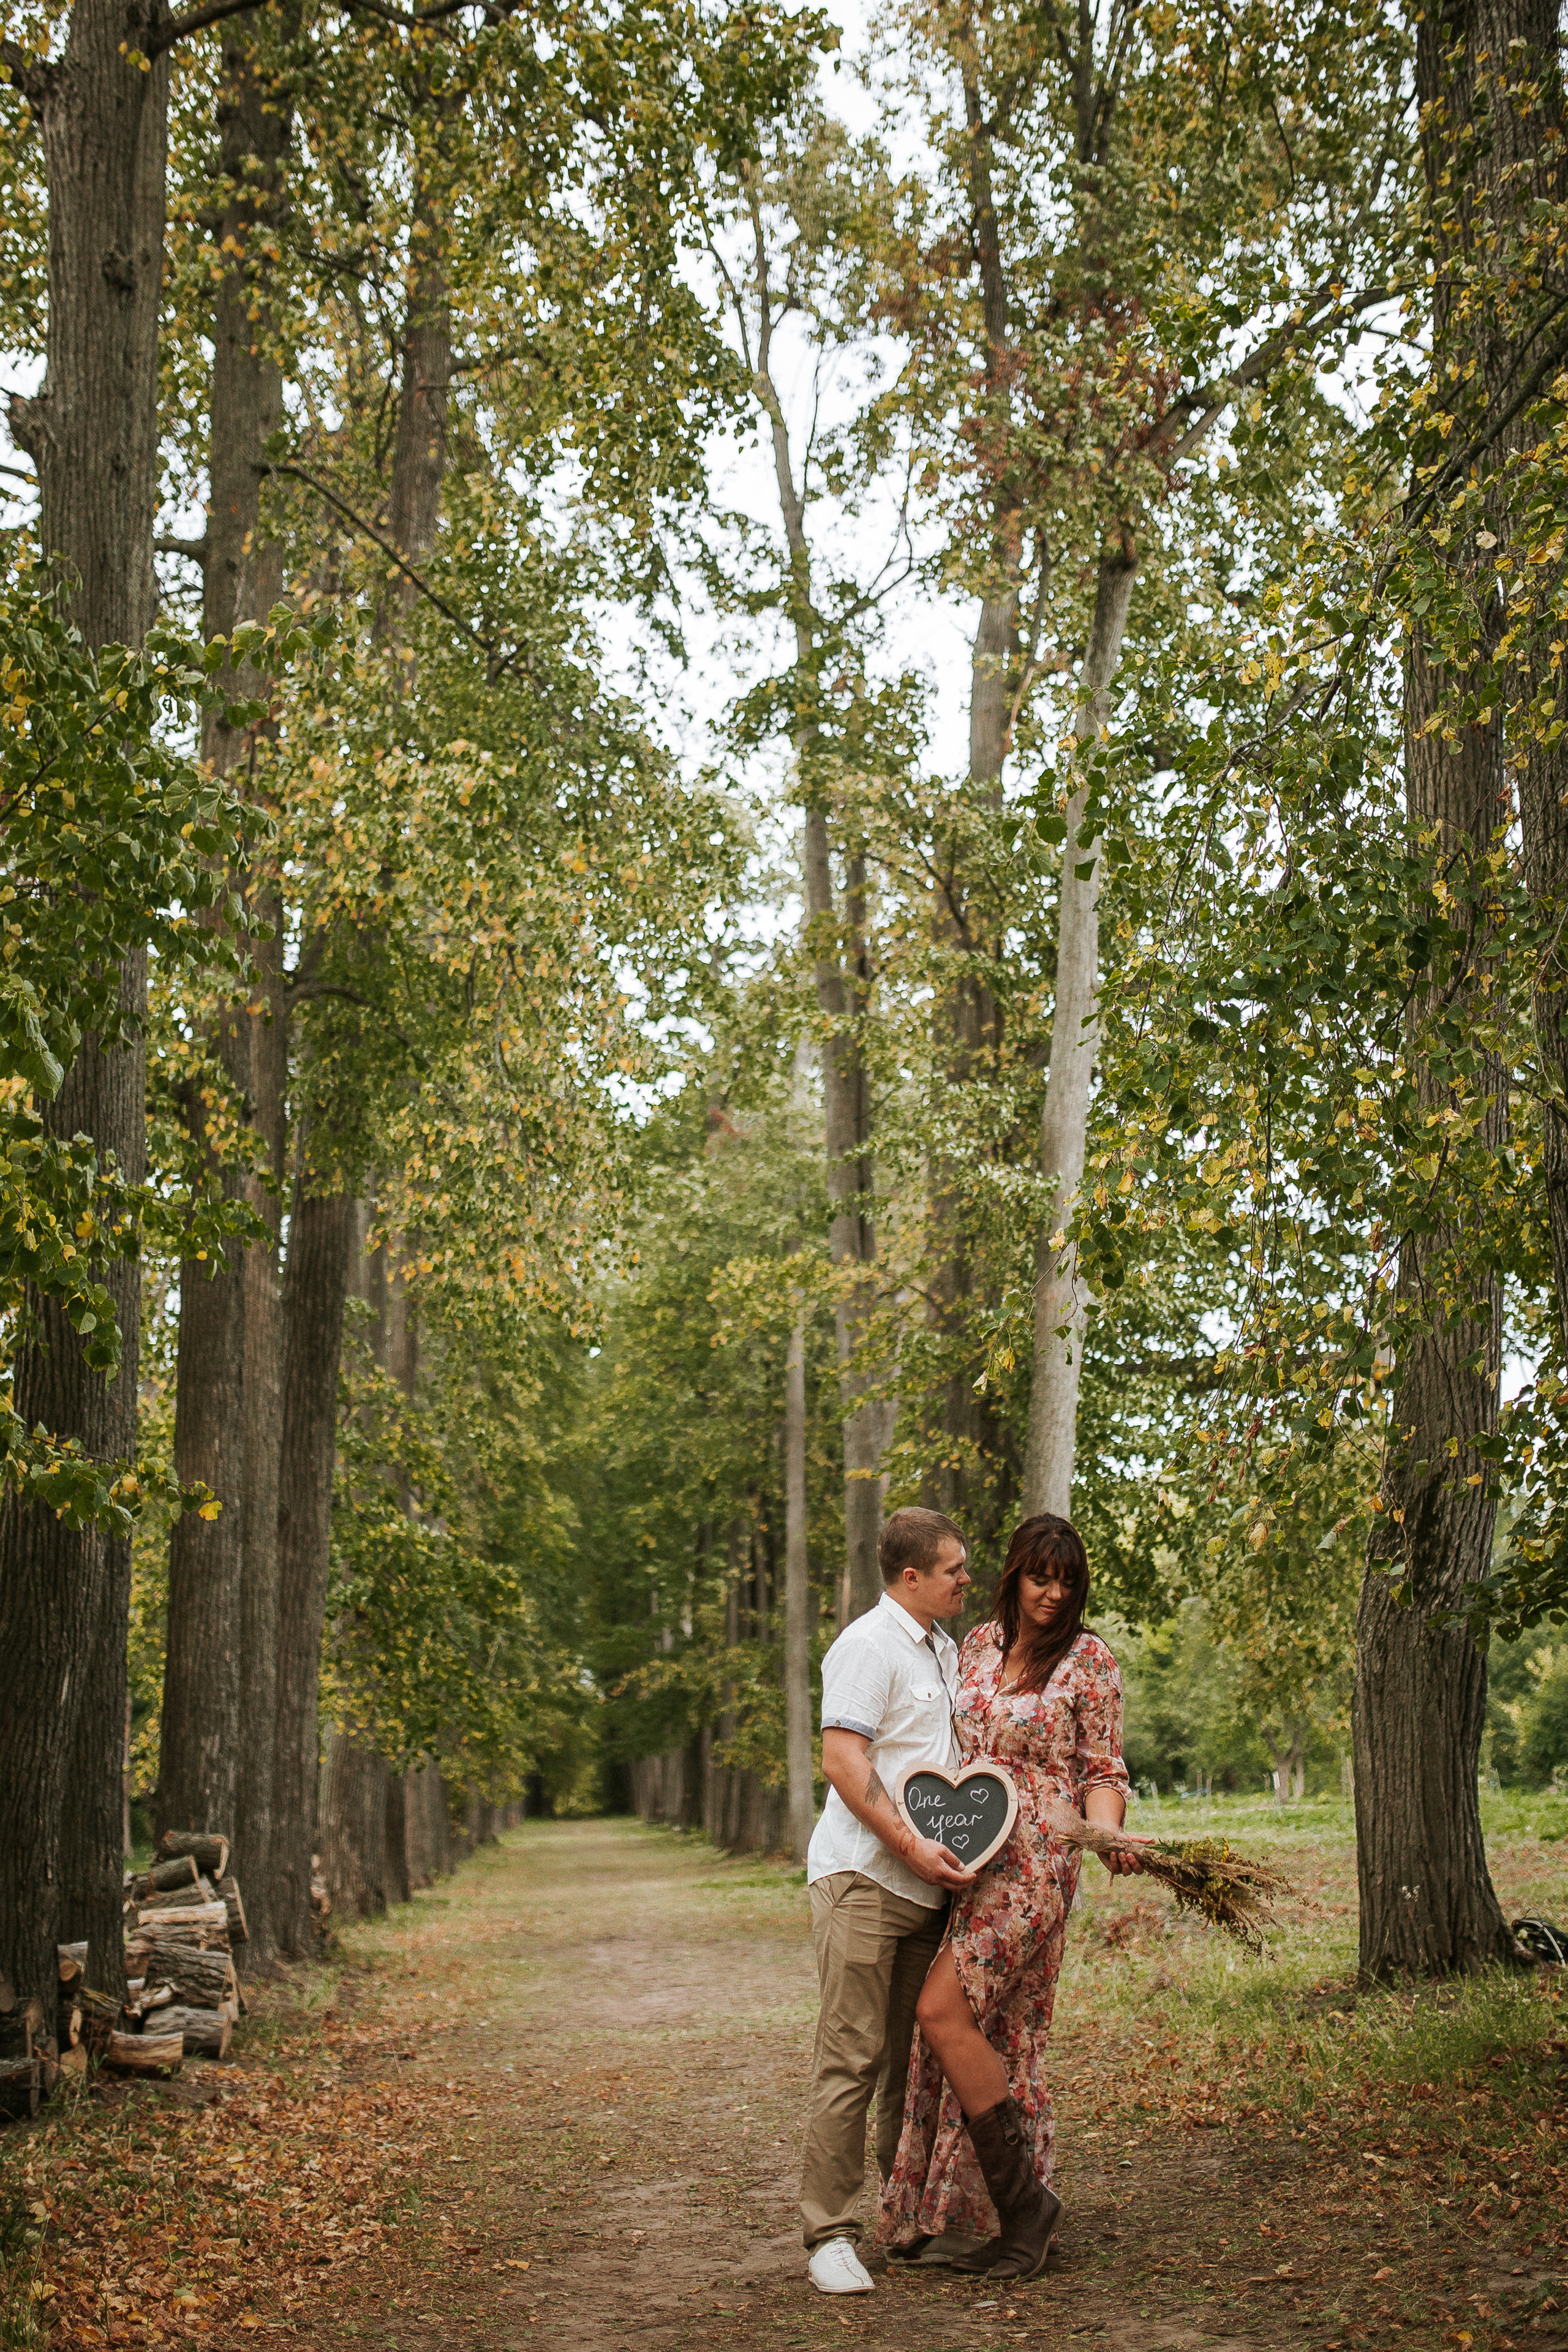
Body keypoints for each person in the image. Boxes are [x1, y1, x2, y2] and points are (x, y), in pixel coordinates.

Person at [880, 1511, 1141, 2283]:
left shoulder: (1089, 1660)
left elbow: (1102, 1770)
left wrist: (1107, 1836)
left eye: (1066, 1582)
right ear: (1014, 1577)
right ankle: (986, 2219)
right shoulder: (976, 1648)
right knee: (1001, 2035)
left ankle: (1025, 2207)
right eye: (1040, 1577)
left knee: (940, 2010)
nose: (1053, 1595)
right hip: (971, 1854)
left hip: (1037, 1867)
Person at [798, 1506, 978, 2298]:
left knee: (913, 2065)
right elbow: (843, 1759)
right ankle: (829, 2234)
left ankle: (904, 2218)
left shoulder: (944, 1651)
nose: (966, 1579)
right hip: (864, 1880)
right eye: (954, 1569)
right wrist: (911, 1847)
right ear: (912, 1577)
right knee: (853, 2058)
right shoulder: (867, 1646)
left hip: (927, 1893)